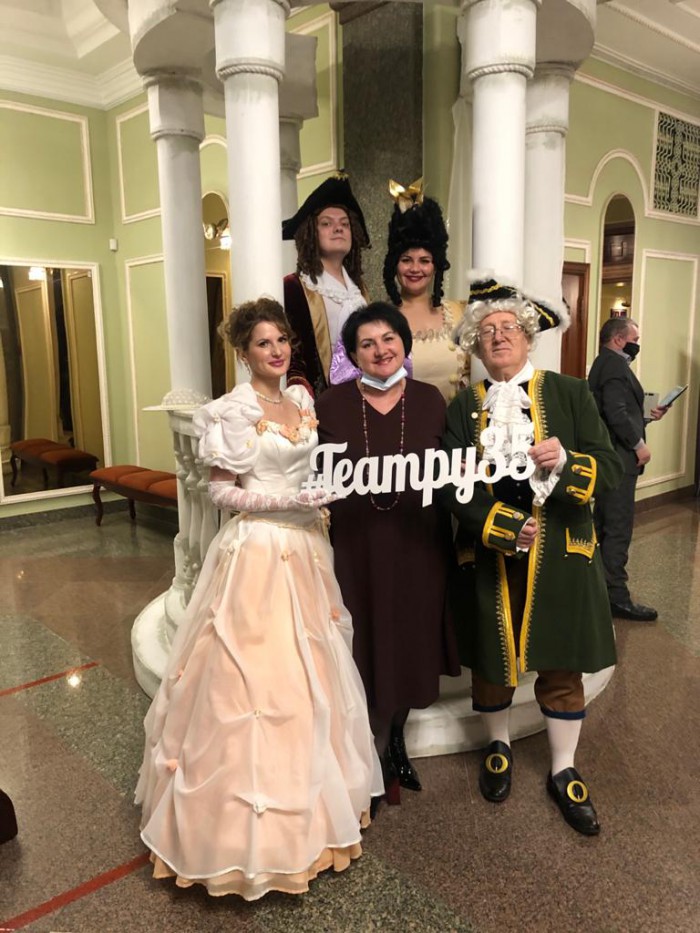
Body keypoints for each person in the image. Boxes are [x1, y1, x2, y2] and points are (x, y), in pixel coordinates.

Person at [136, 298, 382, 901]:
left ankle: (312, 821)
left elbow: (307, 466)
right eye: (263, 343)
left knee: (310, 673)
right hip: (257, 549)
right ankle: (231, 837)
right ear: (244, 353)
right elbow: (222, 493)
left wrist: (314, 495)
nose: (276, 351)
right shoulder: (232, 410)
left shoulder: (299, 399)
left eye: (282, 341)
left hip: (306, 548)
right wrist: (286, 503)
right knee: (249, 679)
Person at [441, 274, 622, 836]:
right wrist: (499, 526)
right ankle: (498, 747)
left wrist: (567, 462)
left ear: (527, 337)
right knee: (492, 659)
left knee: (561, 662)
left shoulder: (570, 393)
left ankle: (564, 767)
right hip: (491, 554)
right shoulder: (463, 407)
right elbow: (453, 485)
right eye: (487, 331)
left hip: (560, 554)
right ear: (475, 345)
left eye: (509, 328)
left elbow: (610, 468)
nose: (498, 337)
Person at [316, 302, 460, 806]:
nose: (380, 350)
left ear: (405, 343)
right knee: (364, 642)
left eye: (389, 339)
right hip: (355, 548)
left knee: (409, 639)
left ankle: (395, 738)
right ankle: (371, 751)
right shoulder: (330, 404)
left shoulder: (430, 400)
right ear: (353, 354)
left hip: (418, 543)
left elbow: (452, 470)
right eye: (367, 343)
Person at [588, 317, 668, 622]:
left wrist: (647, 417)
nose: (637, 344)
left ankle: (598, 591)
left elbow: (617, 412)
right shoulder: (614, 365)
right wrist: (639, 445)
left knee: (604, 524)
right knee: (617, 528)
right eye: (634, 339)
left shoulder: (605, 363)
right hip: (619, 461)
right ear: (619, 339)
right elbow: (615, 413)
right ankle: (617, 598)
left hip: (610, 458)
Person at [282, 173, 370, 396]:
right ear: (311, 233)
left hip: (365, 396)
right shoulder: (294, 287)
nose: (338, 228)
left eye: (344, 224)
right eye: (326, 223)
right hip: (320, 401)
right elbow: (291, 355)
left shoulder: (359, 290)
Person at [383, 178, 468, 401]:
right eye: (406, 260)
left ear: (436, 265)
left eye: (424, 261)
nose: (415, 269)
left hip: (456, 422)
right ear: (394, 264)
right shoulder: (379, 320)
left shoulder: (459, 313)